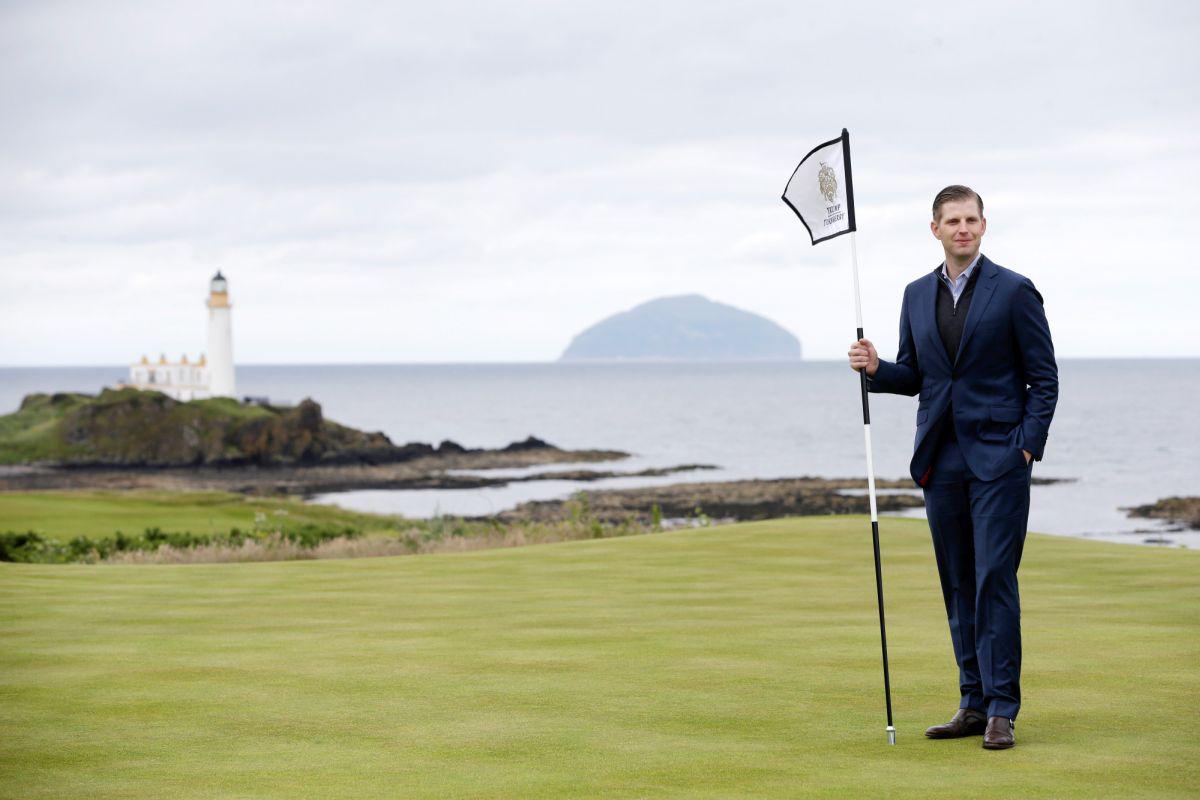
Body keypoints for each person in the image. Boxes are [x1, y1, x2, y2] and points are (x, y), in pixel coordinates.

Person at [847, 185, 1058, 750]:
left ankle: (1002, 710)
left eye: (971, 219)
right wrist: (876, 369)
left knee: (994, 578)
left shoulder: (1014, 291)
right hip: (940, 460)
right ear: (935, 228)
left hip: (999, 460)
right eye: (952, 220)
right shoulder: (916, 295)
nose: (962, 228)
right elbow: (917, 374)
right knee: (958, 582)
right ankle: (971, 701)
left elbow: (1045, 379)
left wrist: (1027, 446)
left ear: (984, 226)